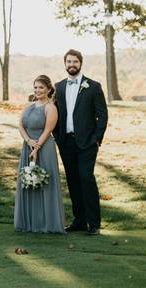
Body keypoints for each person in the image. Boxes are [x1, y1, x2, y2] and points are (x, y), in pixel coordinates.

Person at [53, 49, 108, 236]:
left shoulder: (93, 86)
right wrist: (57, 137)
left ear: (81, 63)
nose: (72, 65)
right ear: (64, 63)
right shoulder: (59, 87)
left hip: (87, 143)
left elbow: (102, 115)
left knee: (86, 178)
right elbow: (54, 114)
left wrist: (96, 139)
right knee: (73, 181)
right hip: (66, 142)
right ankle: (79, 220)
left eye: (75, 61)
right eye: (68, 61)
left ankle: (94, 223)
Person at [15, 75, 65, 234]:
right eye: (35, 87)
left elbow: (48, 130)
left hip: (44, 148)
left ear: (49, 89)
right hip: (28, 146)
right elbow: (20, 125)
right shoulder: (29, 106)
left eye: (41, 87)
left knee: (44, 184)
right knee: (28, 182)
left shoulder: (51, 107)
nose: (37, 90)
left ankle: (46, 223)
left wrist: (36, 148)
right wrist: (28, 141)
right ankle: (29, 222)